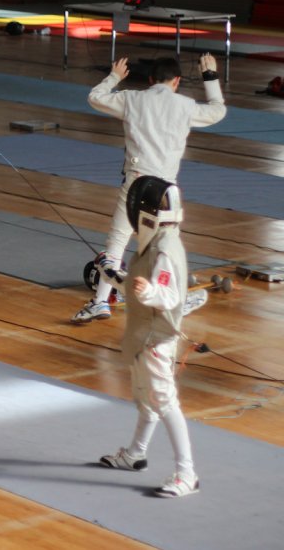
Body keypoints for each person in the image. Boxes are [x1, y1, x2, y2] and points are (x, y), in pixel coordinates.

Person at [72, 54, 226, 323]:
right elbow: (217, 111)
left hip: (136, 182)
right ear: (176, 81)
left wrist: (115, 77)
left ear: (151, 79)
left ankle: (100, 302)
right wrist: (210, 76)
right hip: (166, 190)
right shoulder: (185, 105)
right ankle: (172, 300)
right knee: (167, 246)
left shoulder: (133, 99)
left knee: (117, 241)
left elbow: (95, 97)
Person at [97, 175, 199, 498]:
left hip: (157, 339)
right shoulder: (156, 241)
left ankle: (187, 474)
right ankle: (135, 454)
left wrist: (150, 291)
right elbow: (139, 283)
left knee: (164, 401)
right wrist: (112, 275)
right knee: (146, 397)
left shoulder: (165, 248)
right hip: (143, 335)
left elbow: (169, 296)